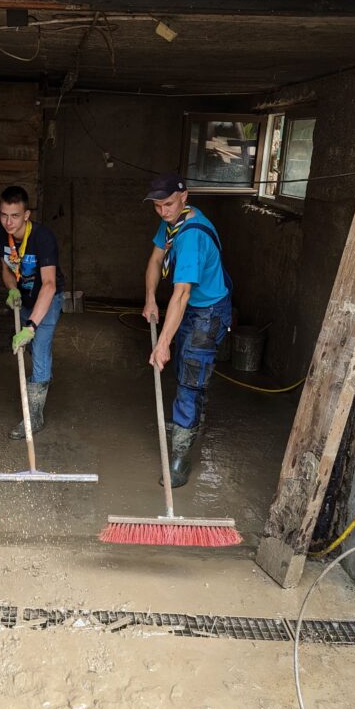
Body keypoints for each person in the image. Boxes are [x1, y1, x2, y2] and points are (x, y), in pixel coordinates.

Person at [142, 173, 233, 488]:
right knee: (187, 370)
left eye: (167, 204)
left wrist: (163, 342)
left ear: (185, 197)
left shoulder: (191, 237)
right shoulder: (172, 221)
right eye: (157, 206)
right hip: (191, 307)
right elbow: (155, 259)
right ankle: (190, 421)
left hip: (207, 312)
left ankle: (180, 458)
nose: (162, 211)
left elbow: (181, 294)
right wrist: (151, 298)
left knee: (190, 379)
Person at [0, 186, 65, 439]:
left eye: (14, 216)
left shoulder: (43, 238)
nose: (8, 222)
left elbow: (49, 284)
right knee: (33, 350)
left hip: (47, 298)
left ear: (26, 215)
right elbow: (6, 267)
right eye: (3, 215)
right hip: (22, 297)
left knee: (40, 348)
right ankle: (42, 380)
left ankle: (34, 417)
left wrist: (32, 325)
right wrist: (12, 289)